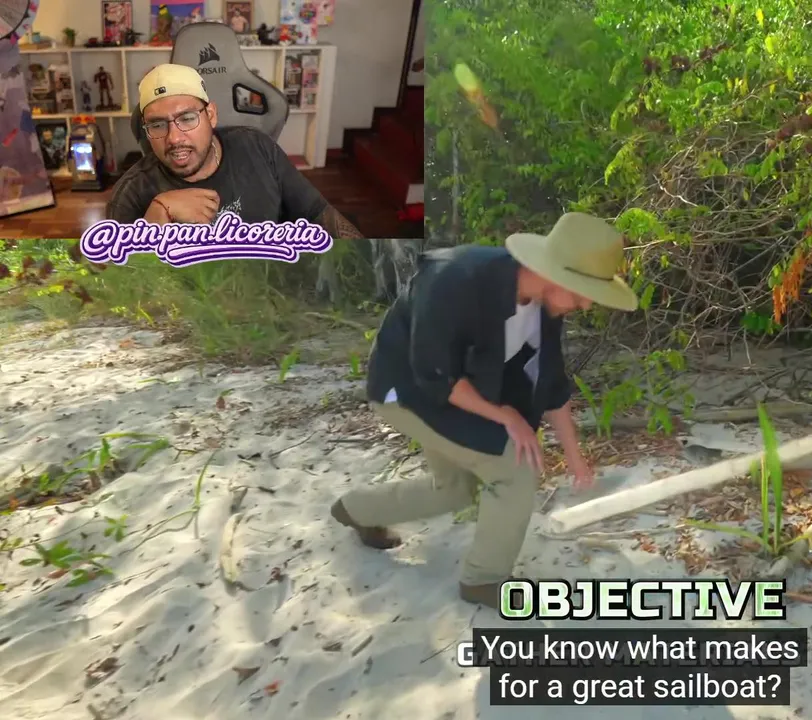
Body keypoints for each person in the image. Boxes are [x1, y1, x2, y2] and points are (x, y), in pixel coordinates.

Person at [330, 212, 639, 609]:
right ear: (553, 274)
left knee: (454, 490)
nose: (585, 304)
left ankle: (355, 509)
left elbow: (552, 383)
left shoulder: (545, 306)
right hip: (406, 390)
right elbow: (435, 375)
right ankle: (484, 581)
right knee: (515, 470)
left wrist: (576, 458)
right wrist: (505, 416)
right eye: (582, 293)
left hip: (465, 391)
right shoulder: (454, 279)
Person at [105, 64, 362, 238]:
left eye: (187, 118)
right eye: (157, 125)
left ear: (211, 115)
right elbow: (123, 286)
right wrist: (155, 218)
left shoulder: (258, 148)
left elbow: (319, 215)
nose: (174, 138)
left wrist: (371, 267)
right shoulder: (131, 194)